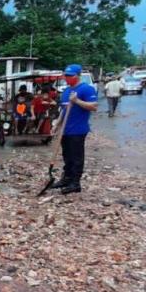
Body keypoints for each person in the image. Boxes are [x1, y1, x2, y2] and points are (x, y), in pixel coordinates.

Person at [51, 64, 98, 194]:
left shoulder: (86, 89)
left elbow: (94, 106)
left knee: (76, 157)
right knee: (67, 156)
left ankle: (75, 183)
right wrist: (57, 124)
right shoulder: (66, 91)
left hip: (78, 130)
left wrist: (77, 101)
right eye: (66, 75)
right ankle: (66, 178)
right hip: (65, 130)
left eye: (70, 76)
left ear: (78, 76)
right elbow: (64, 110)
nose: (67, 78)